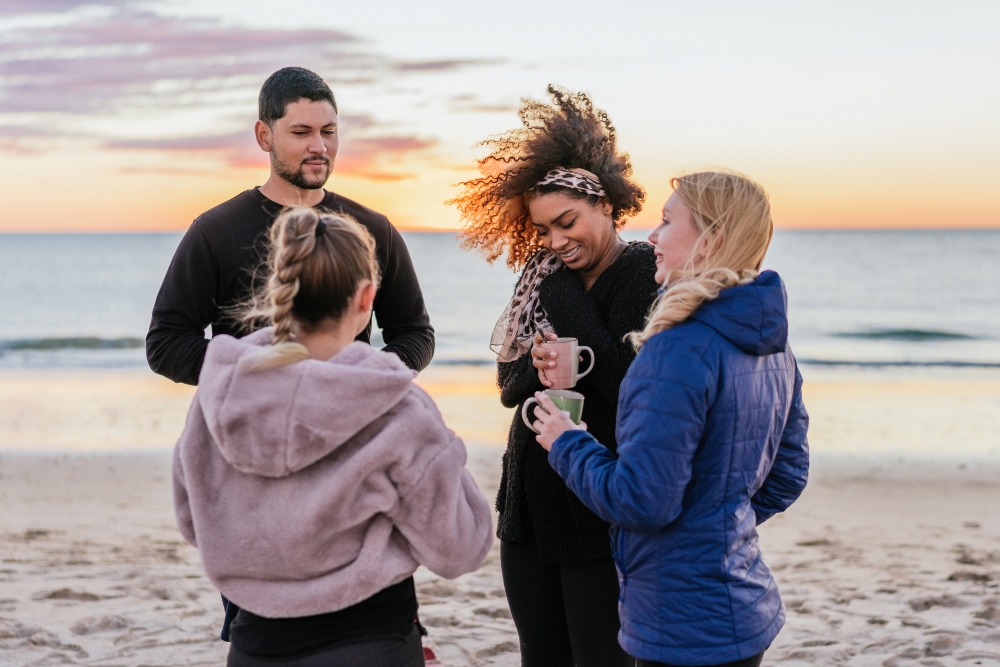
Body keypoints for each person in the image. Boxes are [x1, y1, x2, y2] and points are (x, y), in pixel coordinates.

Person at [173, 207, 493, 667]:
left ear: (280, 289)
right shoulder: (398, 409)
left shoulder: (217, 397)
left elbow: (193, 522)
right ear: (367, 298)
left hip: (254, 644)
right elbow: (459, 547)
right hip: (371, 640)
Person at [530, 171, 810, 667]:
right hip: (745, 608)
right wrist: (715, 523)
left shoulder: (676, 349)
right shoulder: (773, 343)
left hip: (680, 622)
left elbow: (640, 501)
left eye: (665, 221)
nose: (652, 236)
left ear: (712, 239)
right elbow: (787, 475)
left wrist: (567, 440)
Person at [450, 85, 658, 667]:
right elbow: (510, 389)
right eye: (543, 230)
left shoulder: (643, 273)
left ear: (607, 205)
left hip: (600, 504)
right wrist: (535, 368)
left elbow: (626, 387)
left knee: (601, 658)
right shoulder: (537, 277)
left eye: (566, 223)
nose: (555, 243)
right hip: (530, 502)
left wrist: (564, 300)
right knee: (540, 654)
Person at [147, 66, 434, 387]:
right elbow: (166, 344)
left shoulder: (372, 228)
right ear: (264, 136)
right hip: (247, 426)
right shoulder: (215, 230)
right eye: (302, 133)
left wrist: (362, 378)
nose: (319, 147)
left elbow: (414, 333)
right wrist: (262, 373)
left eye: (328, 131)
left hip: (347, 425)